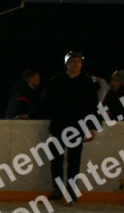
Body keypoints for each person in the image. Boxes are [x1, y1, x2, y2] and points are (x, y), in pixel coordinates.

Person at [37, 49, 98, 201]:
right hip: (59, 125)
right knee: (56, 159)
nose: (76, 64)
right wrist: (30, 115)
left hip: (78, 126)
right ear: (67, 64)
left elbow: (93, 106)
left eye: (78, 62)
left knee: (74, 160)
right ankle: (57, 189)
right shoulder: (56, 81)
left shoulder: (87, 82)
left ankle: (71, 191)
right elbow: (45, 102)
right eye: (73, 61)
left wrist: (92, 127)